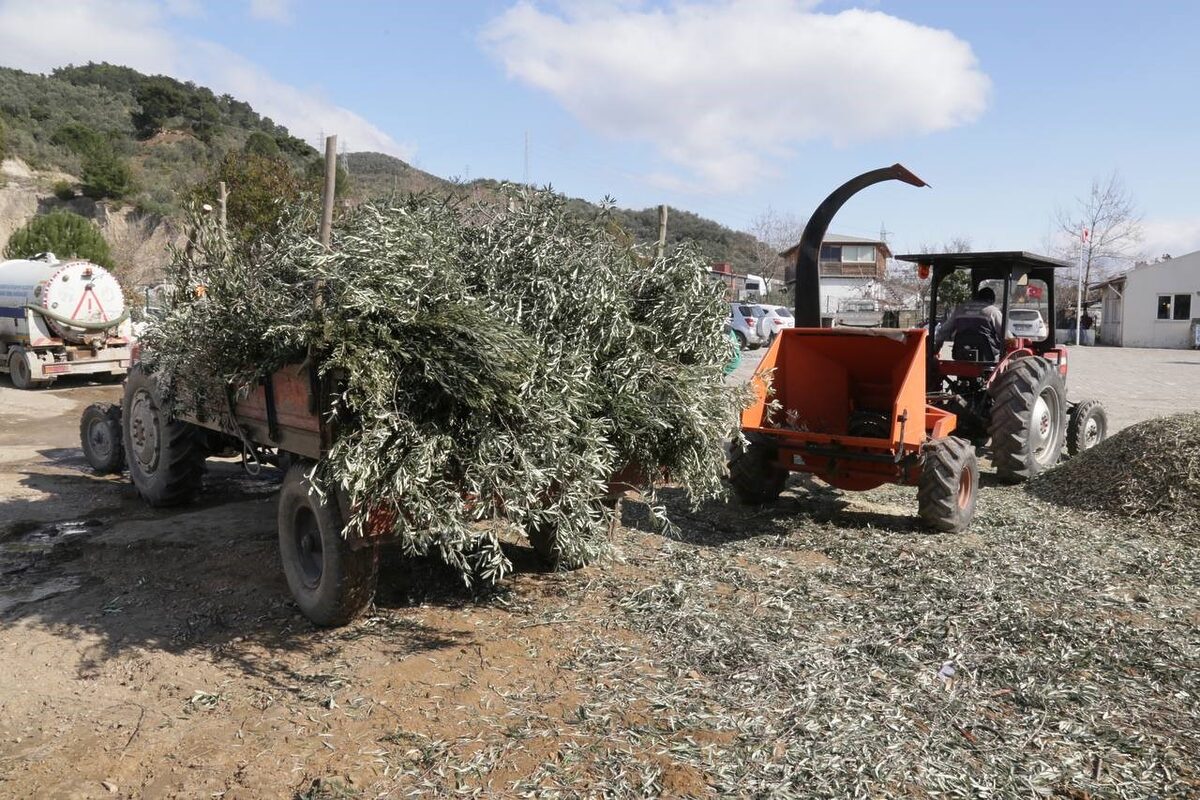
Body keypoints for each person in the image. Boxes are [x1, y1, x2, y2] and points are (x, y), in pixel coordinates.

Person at [934, 286, 1003, 360]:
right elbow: (1005, 335)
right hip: (988, 355)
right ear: (991, 300)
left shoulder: (960, 309)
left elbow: (944, 331)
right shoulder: (993, 311)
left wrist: (935, 350)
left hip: (960, 352)